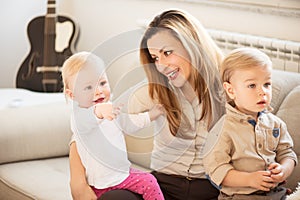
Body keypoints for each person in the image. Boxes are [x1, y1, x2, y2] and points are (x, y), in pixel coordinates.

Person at [70, 9, 226, 200]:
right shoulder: (156, 90)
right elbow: (95, 121)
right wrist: (77, 181)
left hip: (212, 191)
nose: (160, 66)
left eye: (167, 53)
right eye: (155, 58)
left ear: (191, 44)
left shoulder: (230, 88)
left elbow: (263, 134)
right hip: (160, 189)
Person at [62, 51, 165, 200]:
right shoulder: (79, 117)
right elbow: (86, 121)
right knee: (150, 182)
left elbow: (131, 123)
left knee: (150, 181)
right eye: (88, 88)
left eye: (102, 83)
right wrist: (99, 111)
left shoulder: (111, 108)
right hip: (96, 185)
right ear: (72, 95)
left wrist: (151, 115)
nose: (98, 91)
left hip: (122, 176)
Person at [203, 47, 298, 200]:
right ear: (231, 90)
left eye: (267, 84)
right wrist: (250, 180)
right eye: (252, 85)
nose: (263, 92)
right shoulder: (223, 129)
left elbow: (288, 154)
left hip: (276, 195)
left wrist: (283, 170)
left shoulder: (276, 124)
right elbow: (216, 169)